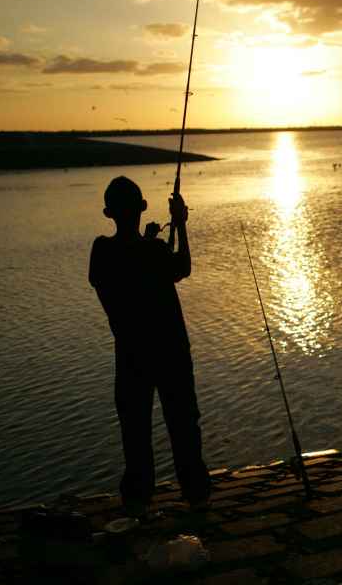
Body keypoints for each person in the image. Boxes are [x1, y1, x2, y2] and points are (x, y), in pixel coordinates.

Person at [89, 176, 210, 516]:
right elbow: (181, 267)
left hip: (130, 355)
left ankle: (138, 500)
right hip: (170, 352)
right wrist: (181, 225)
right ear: (142, 208)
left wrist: (148, 242)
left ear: (108, 212)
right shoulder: (153, 250)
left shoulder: (101, 251)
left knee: (135, 429)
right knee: (183, 424)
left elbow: (128, 264)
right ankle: (197, 495)